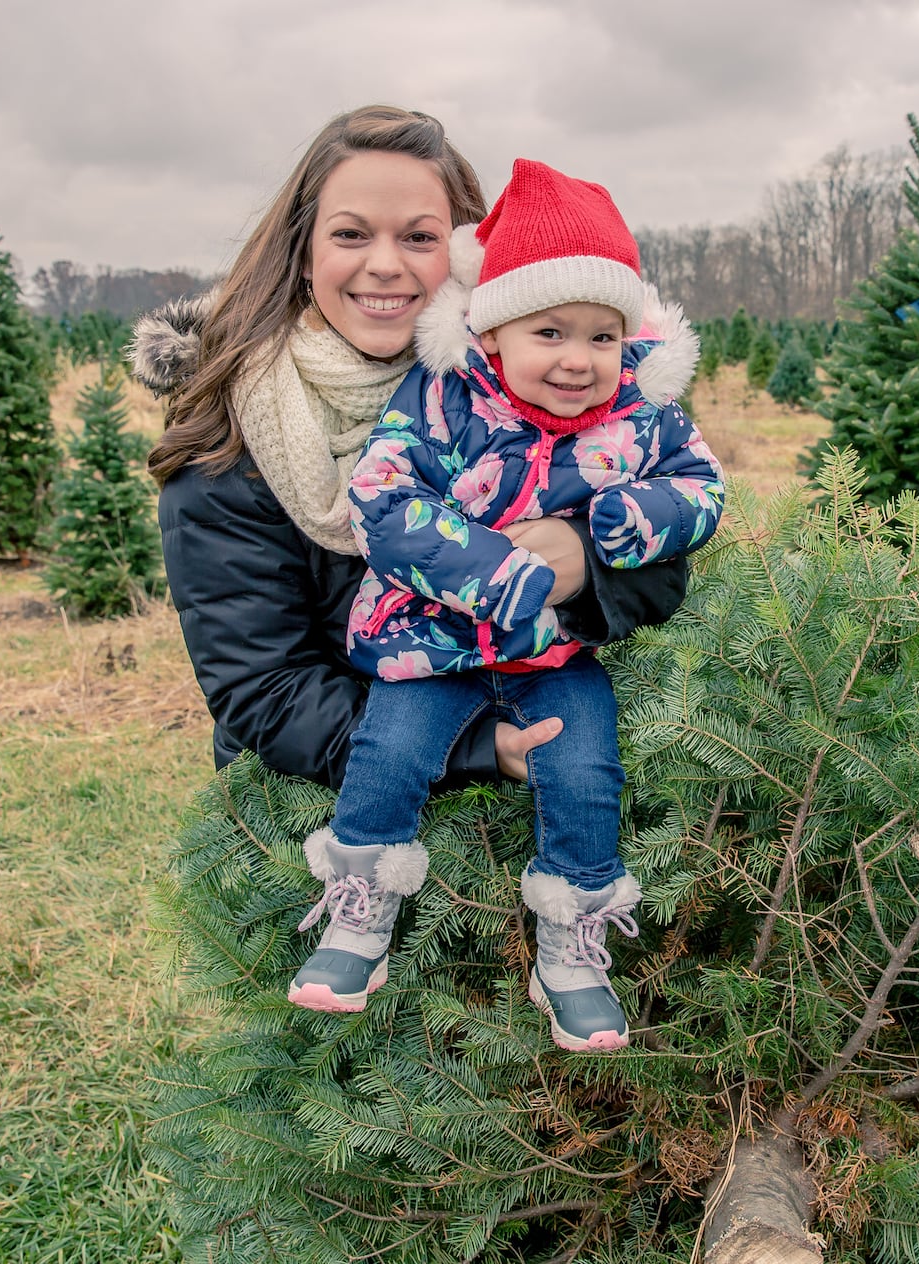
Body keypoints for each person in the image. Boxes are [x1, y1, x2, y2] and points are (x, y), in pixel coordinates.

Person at [128, 109, 688, 972]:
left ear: (468, 257)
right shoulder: (225, 442)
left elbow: (665, 572)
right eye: (351, 233)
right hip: (319, 824)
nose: (385, 265)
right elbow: (261, 689)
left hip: (532, 809)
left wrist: (584, 557)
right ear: (304, 248)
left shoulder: (542, 391)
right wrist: (469, 750)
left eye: (419, 236)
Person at [287, 160, 723, 1053]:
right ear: (492, 334)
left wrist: (619, 525)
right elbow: (384, 501)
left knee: (586, 766)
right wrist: (499, 573)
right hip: (428, 644)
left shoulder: (641, 417)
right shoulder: (446, 400)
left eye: (603, 337)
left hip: (555, 656)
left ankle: (571, 943)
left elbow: (702, 489)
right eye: (550, 331)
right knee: (392, 749)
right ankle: (357, 912)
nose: (577, 358)